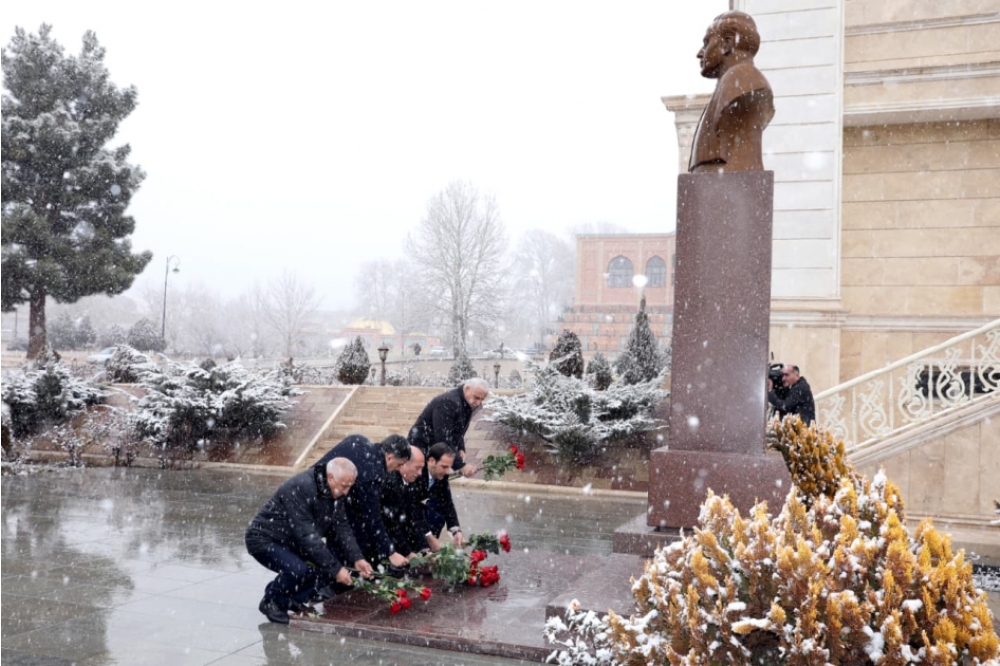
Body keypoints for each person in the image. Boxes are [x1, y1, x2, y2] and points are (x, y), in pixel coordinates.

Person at [245, 458, 374, 624]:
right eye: (344, 486)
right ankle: (271, 601)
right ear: (330, 477)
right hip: (264, 538)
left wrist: (357, 558)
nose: (346, 492)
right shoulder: (301, 487)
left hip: (292, 540)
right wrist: (336, 570)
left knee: (324, 568)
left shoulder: (336, 489)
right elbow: (307, 536)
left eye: (350, 486)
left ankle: (289, 598)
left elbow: (341, 526)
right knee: (298, 570)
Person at [689, 11, 774, 173]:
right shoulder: (731, 82)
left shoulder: (744, 80)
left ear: (727, 43)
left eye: (706, 43)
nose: (700, 53)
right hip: (718, 182)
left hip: (728, 179)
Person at [316, 434, 414, 568]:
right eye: (399, 464)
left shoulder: (359, 440)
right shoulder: (373, 473)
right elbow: (372, 517)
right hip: (322, 503)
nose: (398, 469)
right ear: (389, 457)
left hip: (312, 485)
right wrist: (390, 553)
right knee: (345, 538)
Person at [382, 443, 462, 557]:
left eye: (449, 467)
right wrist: (426, 542)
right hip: (400, 507)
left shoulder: (442, 474)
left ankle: (425, 551)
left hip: (411, 504)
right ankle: (415, 551)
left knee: (436, 518)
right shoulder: (413, 473)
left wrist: (456, 530)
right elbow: (412, 512)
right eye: (444, 467)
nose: (448, 471)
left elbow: (446, 501)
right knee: (410, 525)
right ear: (432, 461)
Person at [408, 378, 489, 477]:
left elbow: (457, 430)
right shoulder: (448, 402)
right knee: (422, 482)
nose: (478, 403)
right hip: (422, 450)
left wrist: (460, 447)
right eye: (476, 397)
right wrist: (461, 466)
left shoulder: (465, 404)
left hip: (434, 451)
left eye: (481, 399)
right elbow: (443, 437)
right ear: (467, 389)